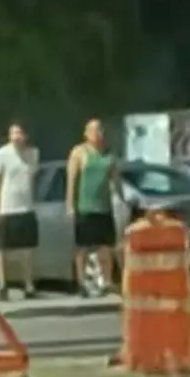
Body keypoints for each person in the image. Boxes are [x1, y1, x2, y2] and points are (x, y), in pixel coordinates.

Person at [66, 119, 121, 297]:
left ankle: (107, 281)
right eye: (94, 130)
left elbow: (116, 179)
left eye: (100, 130)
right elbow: (72, 180)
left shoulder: (109, 155)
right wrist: (70, 203)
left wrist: (121, 196)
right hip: (85, 207)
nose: (98, 134)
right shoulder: (79, 152)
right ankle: (81, 282)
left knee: (106, 246)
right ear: (86, 133)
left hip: (104, 207)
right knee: (83, 246)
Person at [0, 123, 40, 300]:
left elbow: (32, 179)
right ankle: (2, 285)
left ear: (25, 135)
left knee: (27, 248)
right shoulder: (1, 154)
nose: (16, 136)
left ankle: (28, 285)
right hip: (6, 208)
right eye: (13, 133)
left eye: (19, 133)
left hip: (26, 208)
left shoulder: (33, 154)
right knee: (1, 248)